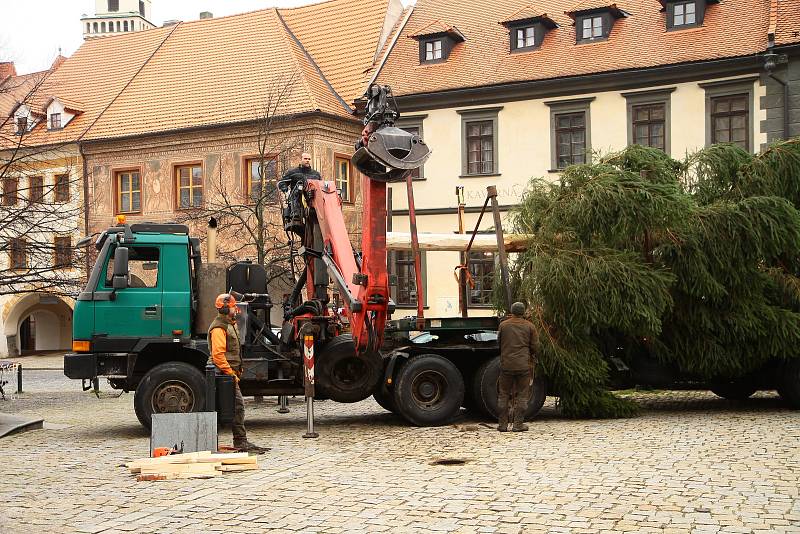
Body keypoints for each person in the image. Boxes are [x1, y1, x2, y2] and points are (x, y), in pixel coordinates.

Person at [208, 293, 268, 453]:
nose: (236, 309)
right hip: (223, 373)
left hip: (228, 372)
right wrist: (230, 373)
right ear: (226, 308)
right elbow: (218, 355)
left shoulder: (228, 323)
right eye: (234, 306)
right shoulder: (219, 327)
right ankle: (240, 441)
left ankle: (240, 440)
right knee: (237, 406)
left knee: (234, 406)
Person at [496, 301, 539, 432]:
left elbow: (499, 342)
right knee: (522, 395)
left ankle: (502, 425)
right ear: (523, 312)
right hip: (523, 366)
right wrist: (533, 356)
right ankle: (518, 424)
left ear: (512, 311)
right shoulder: (530, 326)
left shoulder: (503, 325)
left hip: (506, 365)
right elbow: (535, 346)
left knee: (503, 394)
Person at [279, 152, 321, 236]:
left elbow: (320, 186)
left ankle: (318, 213)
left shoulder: (316, 174)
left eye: (309, 159)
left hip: (311, 199)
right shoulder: (292, 172)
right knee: (298, 189)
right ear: (301, 159)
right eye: (305, 159)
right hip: (297, 198)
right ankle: (296, 214)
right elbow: (282, 183)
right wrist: (286, 191)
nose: (307, 161)